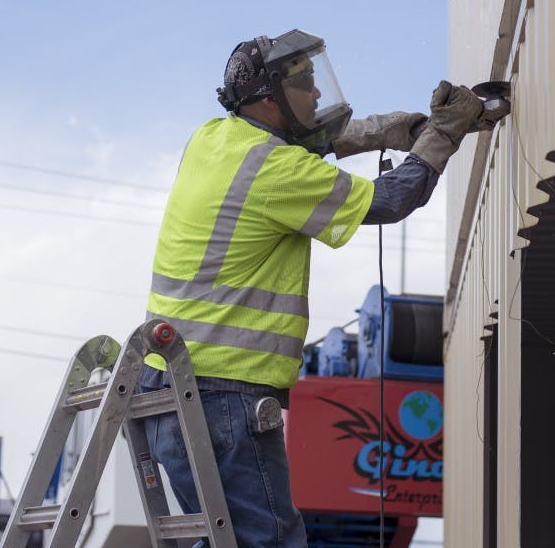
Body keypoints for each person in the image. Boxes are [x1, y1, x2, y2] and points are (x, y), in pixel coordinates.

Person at [139, 29, 484, 547]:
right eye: (304, 82)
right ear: (267, 95)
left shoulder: (212, 140)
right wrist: (443, 134)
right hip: (223, 398)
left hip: (170, 394)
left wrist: (393, 129)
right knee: (271, 542)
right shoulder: (274, 169)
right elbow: (392, 198)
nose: (318, 93)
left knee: (224, 541)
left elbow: (308, 143)